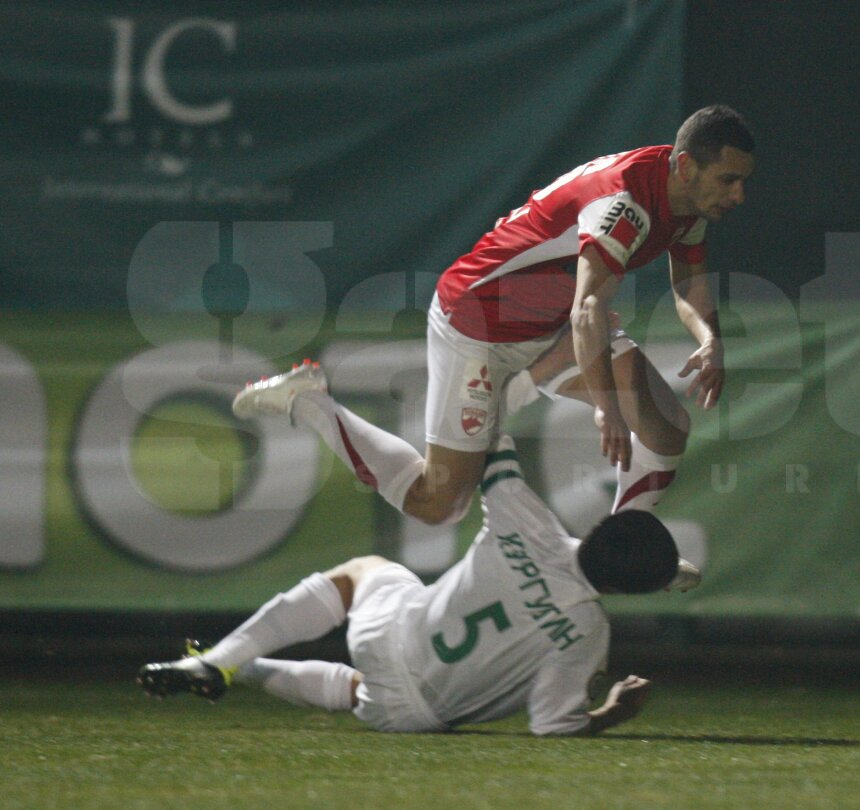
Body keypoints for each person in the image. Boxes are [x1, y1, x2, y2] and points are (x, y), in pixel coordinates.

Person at [233, 104, 753, 585]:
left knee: (666, 425)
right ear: (685, 166)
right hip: (479, 327)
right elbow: (588, 309)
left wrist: (710, 340)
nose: (738, 196)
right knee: (439, 504)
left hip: (549, 326)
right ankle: (310, 401)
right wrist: (607, 410)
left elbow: (688, 283)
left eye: (742, 182)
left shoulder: (684, 200)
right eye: (728, 180)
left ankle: (621, 552)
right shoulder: (625, 203)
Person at [138, 438, 678, 736]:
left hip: (390, 640)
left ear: (603, 525)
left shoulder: (530, 523)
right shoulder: (587, 632)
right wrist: (614, 711)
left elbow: (488, 439)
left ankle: (225, 659)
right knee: (359, 692)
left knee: (369, 573)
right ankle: (233, 666)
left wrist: (504, 373)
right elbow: (552, 725)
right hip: (410, 717)